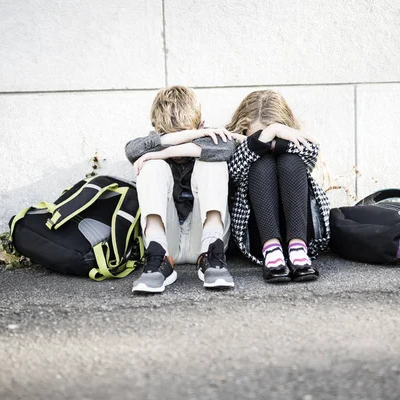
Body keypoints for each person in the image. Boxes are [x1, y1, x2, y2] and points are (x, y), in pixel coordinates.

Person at [125, 86, 242, 293]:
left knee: (212, 160)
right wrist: (171, 143)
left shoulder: (211, 137)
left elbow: (226, 148)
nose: (178, 140)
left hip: (205, 238)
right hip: (167, 241)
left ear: (201, 125)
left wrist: (163, 152)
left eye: (185, 133)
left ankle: (212, 257)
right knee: (150, 165)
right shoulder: (150, 143)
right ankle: (157, 258)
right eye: (169, 135)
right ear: (157, 129)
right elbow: (132, 150)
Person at [226, 90, 330, 283]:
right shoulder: (234, 145)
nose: (265, 138)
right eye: (258, 135)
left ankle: (298, 250)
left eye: (274, 132)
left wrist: (272, 137)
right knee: (261, 163)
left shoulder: (296, 143)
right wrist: (266, 137)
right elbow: (234, 171)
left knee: (290, 160)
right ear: (243, 128)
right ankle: (272, 252)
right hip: (258, 235)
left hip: (302, 232)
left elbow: (313, 147)